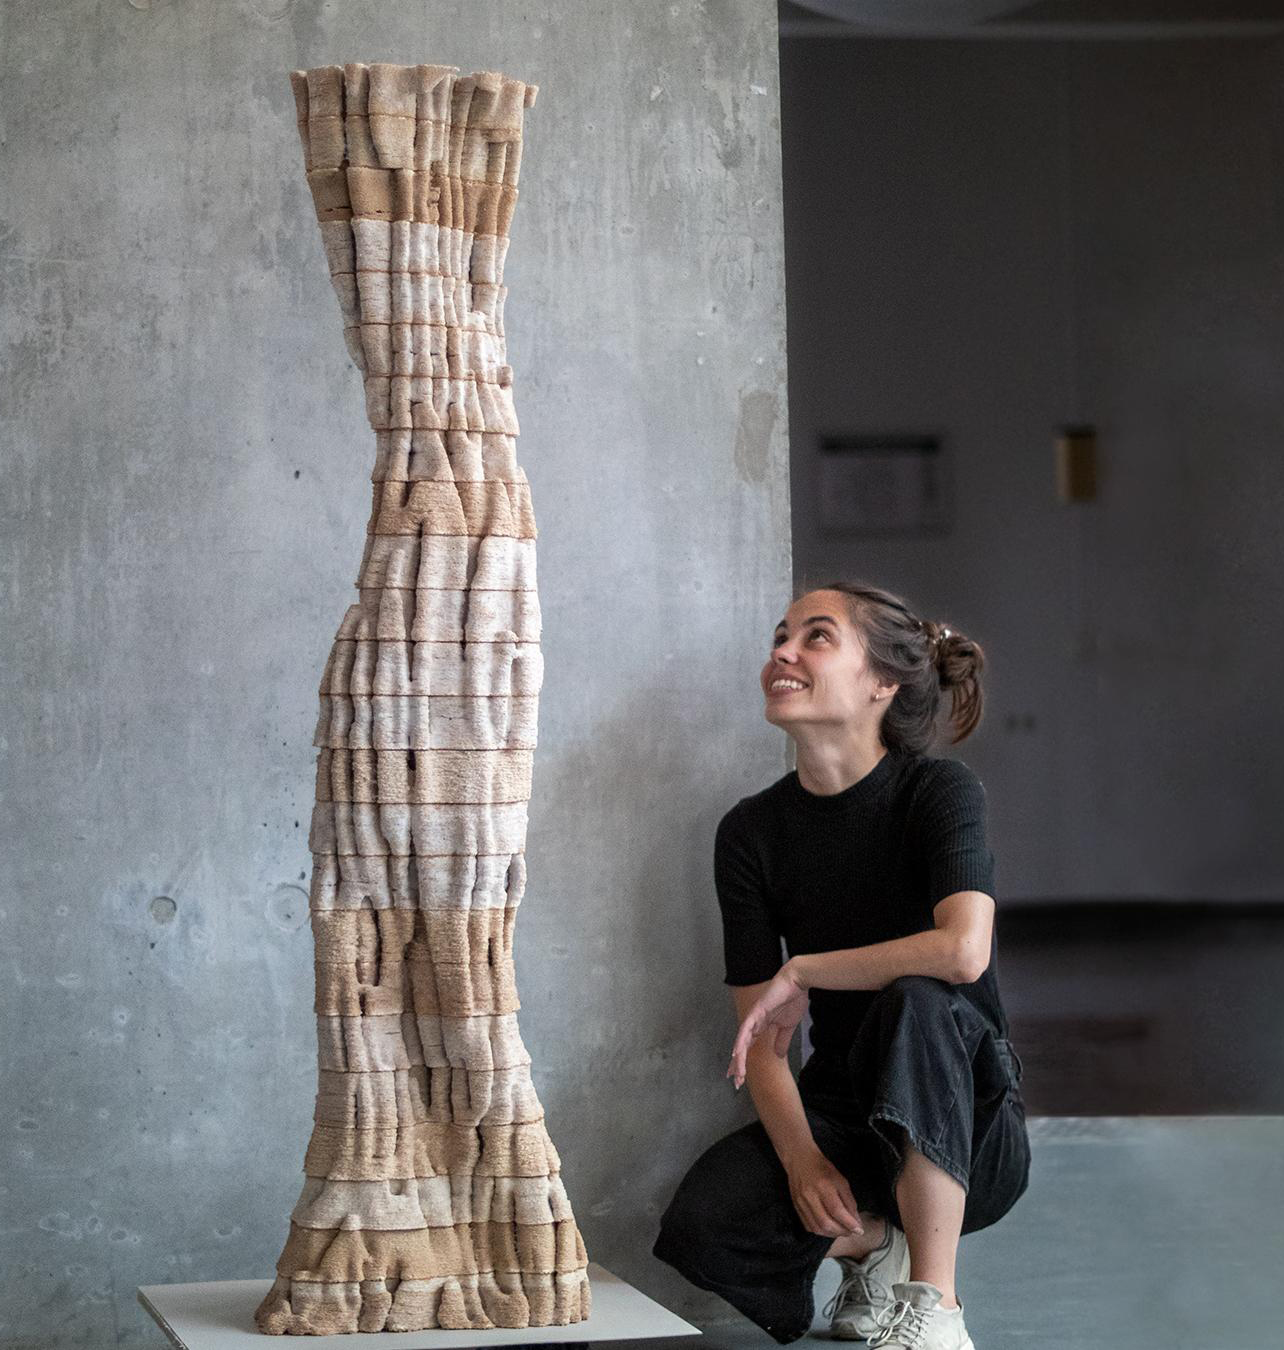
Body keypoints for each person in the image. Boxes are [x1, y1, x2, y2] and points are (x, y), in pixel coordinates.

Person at [652, 581, 1031, 1350]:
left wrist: (808, 969)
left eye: (815, 637)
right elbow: (760, 1033)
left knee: (916, 1000)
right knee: (703, 1226)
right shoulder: (750, 833)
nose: (781, 654)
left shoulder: (940, 792)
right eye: (779, 636)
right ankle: (874, 1246)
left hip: (969, 1122)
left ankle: (935, 1303)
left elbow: (963, 950)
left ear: (881, 683)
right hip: (851, 1117)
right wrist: (801, 1161)